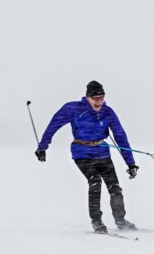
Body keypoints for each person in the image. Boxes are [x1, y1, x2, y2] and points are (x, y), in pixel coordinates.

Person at [35, 80, 139, 234]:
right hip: (81, 153)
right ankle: (97, 221)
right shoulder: (73, 108)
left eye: (101, 98)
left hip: (102, 152)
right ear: (87, 97)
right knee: (95, 182)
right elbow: (53, 126)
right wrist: (42, 147)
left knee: (114, 187)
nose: (99, 102)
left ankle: (120, 220)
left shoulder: (107, 112)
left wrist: (130, 163)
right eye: (95, 99)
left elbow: (120, 136)